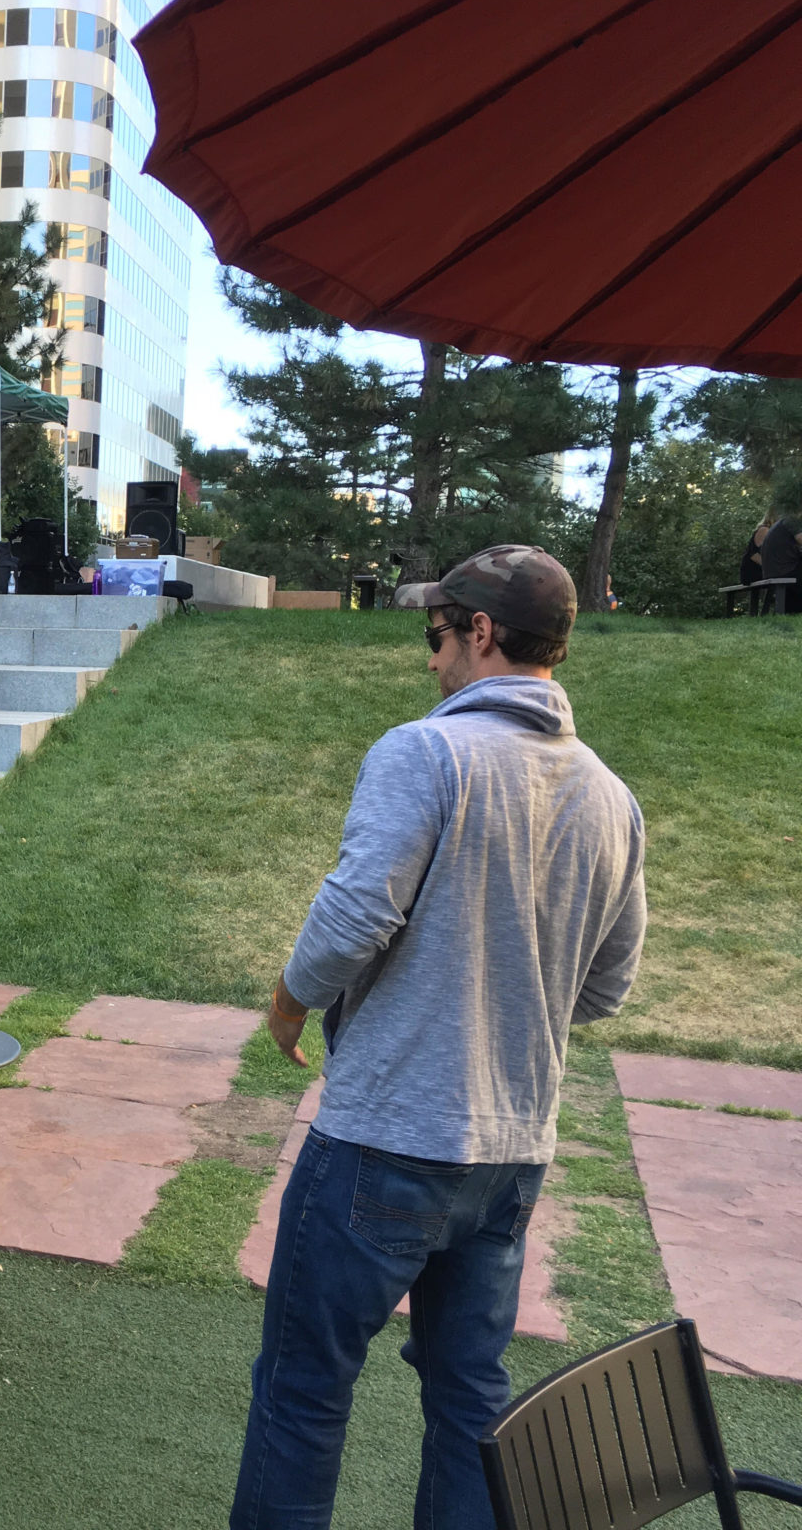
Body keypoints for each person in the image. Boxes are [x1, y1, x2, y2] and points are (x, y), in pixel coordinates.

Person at [231, 545, 647, 1530]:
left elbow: (349, 918)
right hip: (509, 1162)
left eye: (436, 637)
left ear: (482, 634)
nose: (429, 663)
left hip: (382, 1142)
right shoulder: (609, 798)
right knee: (470, 1404)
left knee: (301, 1393)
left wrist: (287, 1005)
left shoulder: (422, 752)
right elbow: (604, 989)